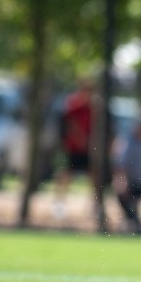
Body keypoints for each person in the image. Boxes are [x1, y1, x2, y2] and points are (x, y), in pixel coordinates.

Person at [53, 78, 95, 218]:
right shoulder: (73, 104)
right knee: (65, 175)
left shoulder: (91, 107)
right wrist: (80, 139)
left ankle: (92, 206)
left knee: (93, 176)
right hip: (72, 147)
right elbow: (69, 124)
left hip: (87, 148)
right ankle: (59, 205)